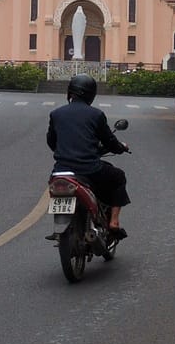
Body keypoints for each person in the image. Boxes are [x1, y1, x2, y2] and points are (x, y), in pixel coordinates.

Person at [46, 73, 130, 238]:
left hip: (60, 171)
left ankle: (61, 226)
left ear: (70, 92)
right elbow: (110, 141)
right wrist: (120, 148)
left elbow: (51, 142)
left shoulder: (56, 114)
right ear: (91, 94)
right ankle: (114, 222)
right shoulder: (96, 115)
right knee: (118, 176)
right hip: (90, 170)